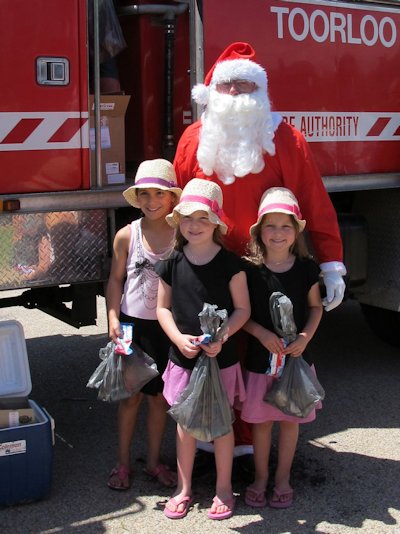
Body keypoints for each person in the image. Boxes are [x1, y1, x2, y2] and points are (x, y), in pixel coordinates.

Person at [173, 41, 346, 469]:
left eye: (247, 86)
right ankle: (210, 429)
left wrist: (330, 264)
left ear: (262, 92)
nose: (236, 95)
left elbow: (313, 201)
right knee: (214, 350)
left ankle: (254, 439)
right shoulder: (194, 138)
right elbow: (177, 201)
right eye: (228, 86)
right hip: (208, 266)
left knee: (261, 356)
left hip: (267, 270)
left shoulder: (286, 138)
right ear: (212, 90)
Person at [155, 178, 250, 520]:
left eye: (203, 218)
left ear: (216, 223)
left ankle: (224, 488)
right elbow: (162, 309)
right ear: (178, 220)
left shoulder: (230, 264)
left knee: (223, 424)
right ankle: (183, 488)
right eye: (187, 218)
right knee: (184, 424)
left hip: (220, 358)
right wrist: (179, 339)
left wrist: (223, 335)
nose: (194, 225)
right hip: (183, 358)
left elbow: (242, 310)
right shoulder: (172, 262)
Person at [241, 187, 323, 509]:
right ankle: (260, 477)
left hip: (297, 362)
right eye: (270, 226)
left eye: (285, 226)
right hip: (262, 362)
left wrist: (305, 338)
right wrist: (260, 333)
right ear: (260, 230)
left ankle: (283, 478)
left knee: (290, 423)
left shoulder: (306, 268)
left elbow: (315, 308)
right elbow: (242, 314)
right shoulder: (249, 270)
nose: (277, 233)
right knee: (261, 425)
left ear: (296, 231)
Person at [106, 158, 181, 490]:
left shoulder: (183, 234)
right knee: (130, 396)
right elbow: (114, 281)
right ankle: (122, 464)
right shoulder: (127, 235)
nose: (152, 202)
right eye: (145, 195)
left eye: (159, 194)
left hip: (167, 328)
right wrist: (111, 318)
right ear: (137, 198)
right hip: (129, 327)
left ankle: (153, 462)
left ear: (172, 198)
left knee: (160, 399)